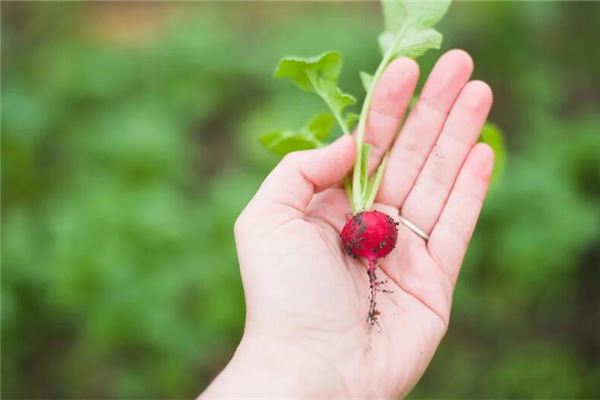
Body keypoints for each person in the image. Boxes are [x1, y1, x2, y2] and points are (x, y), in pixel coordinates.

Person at [201, 49, 494, 399]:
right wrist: (309, 353)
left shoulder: (369, 231)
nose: (372, 268)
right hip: (367, 230)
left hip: (367, 230)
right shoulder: (367, 231)